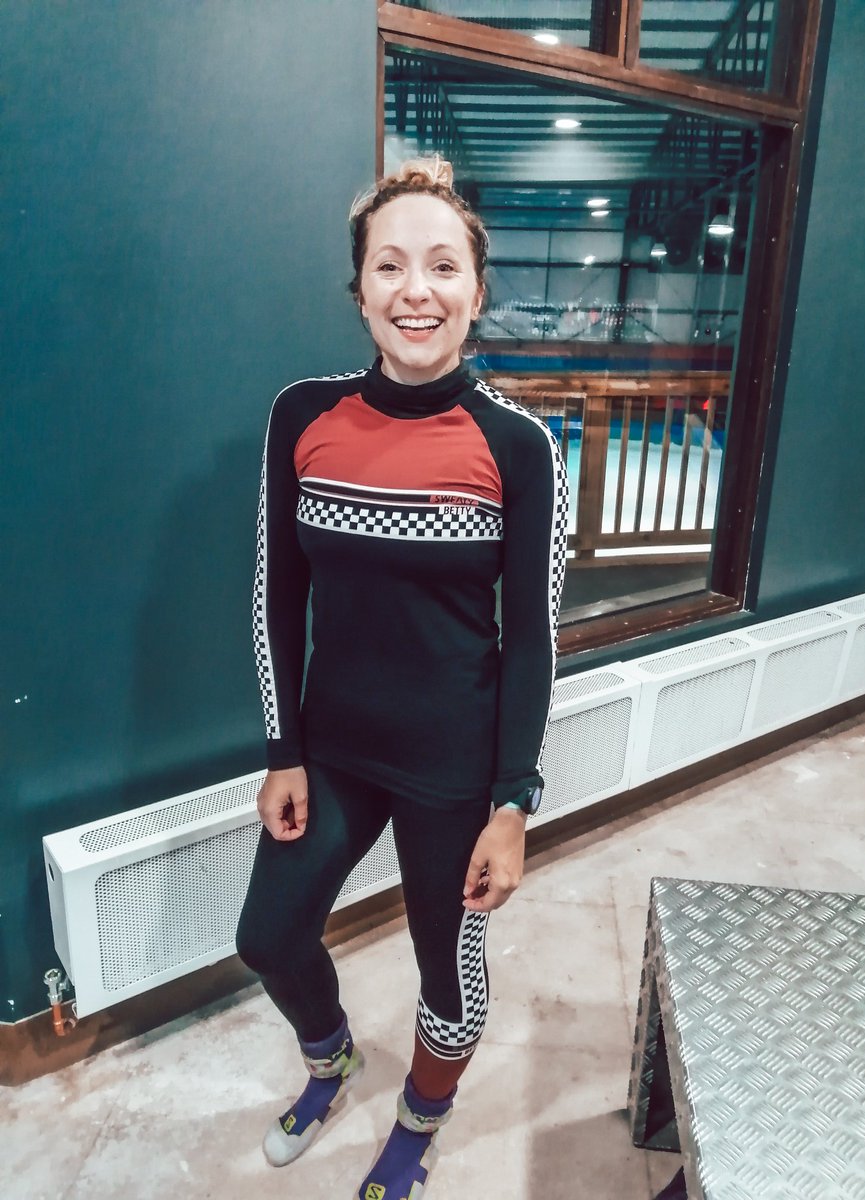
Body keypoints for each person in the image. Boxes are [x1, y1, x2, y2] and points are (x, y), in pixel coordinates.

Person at [236, 155, 568, 1200]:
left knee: (447, 975)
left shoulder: (520, 445)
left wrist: (513, 803)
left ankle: (420, 1122)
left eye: (441, 266)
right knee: (268, 937)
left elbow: (533, 641)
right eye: (390, 266)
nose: (415, 291)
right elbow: (275, 593)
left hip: (453, 768)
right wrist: (284, 750)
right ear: (359, 290)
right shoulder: (303, 415)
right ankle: (331, 1058)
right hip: (334, 748)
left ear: (477, 289)